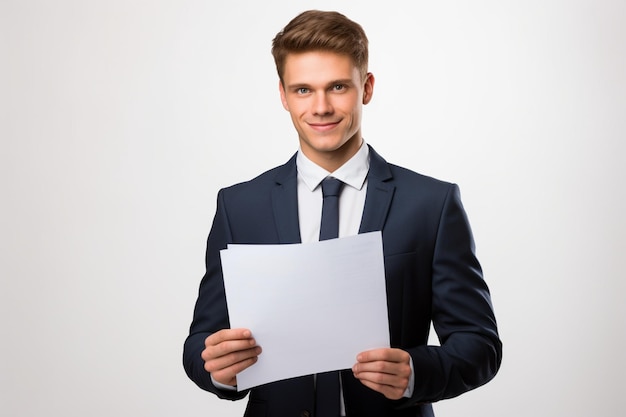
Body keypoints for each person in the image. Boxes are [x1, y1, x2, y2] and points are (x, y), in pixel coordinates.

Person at [183, 10, 502, 417]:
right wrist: (217, 369)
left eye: (337, 87)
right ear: (282, 95)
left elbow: (480, 344)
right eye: (303, 90)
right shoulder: (240, 205)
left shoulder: (431, 204)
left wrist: (416, 373)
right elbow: (200, 342)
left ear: (365, 88)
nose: (320, 107)